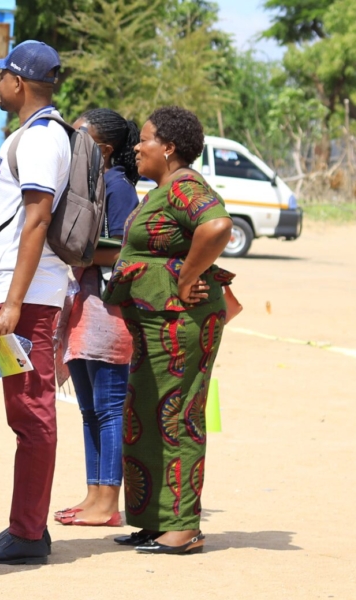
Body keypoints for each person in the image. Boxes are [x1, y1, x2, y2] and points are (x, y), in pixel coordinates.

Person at [102, 106, 233, 554]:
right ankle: (153, 520)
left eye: (146, 139)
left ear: (169, 147)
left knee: (176, 416)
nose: (137, 147)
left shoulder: (185, 186)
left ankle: (183, 527)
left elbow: (217, 225)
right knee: (144, 414)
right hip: (156, 324)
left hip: (181, 322)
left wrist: (188, 276)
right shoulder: (162, 189)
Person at [0, 40, 72, 566]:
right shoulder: (34, 134)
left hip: (25, 295)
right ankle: (25, 528)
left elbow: (37, 219)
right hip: (19, 291)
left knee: (31, 412)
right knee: (25, 412)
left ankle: (28, 532)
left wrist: (13, 302)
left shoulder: (41, 139)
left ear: (18, 82)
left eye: (1, 75)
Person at [54, 108, 141, 528]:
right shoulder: (90, 185)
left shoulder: (118, 188)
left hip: (109, 312)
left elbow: (125, 250)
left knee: (108, 409)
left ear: (103, 150)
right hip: (85, 308)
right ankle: (93, 495)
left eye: (80, 138)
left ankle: (108, 501)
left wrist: (75, 252)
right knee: (89, 409)